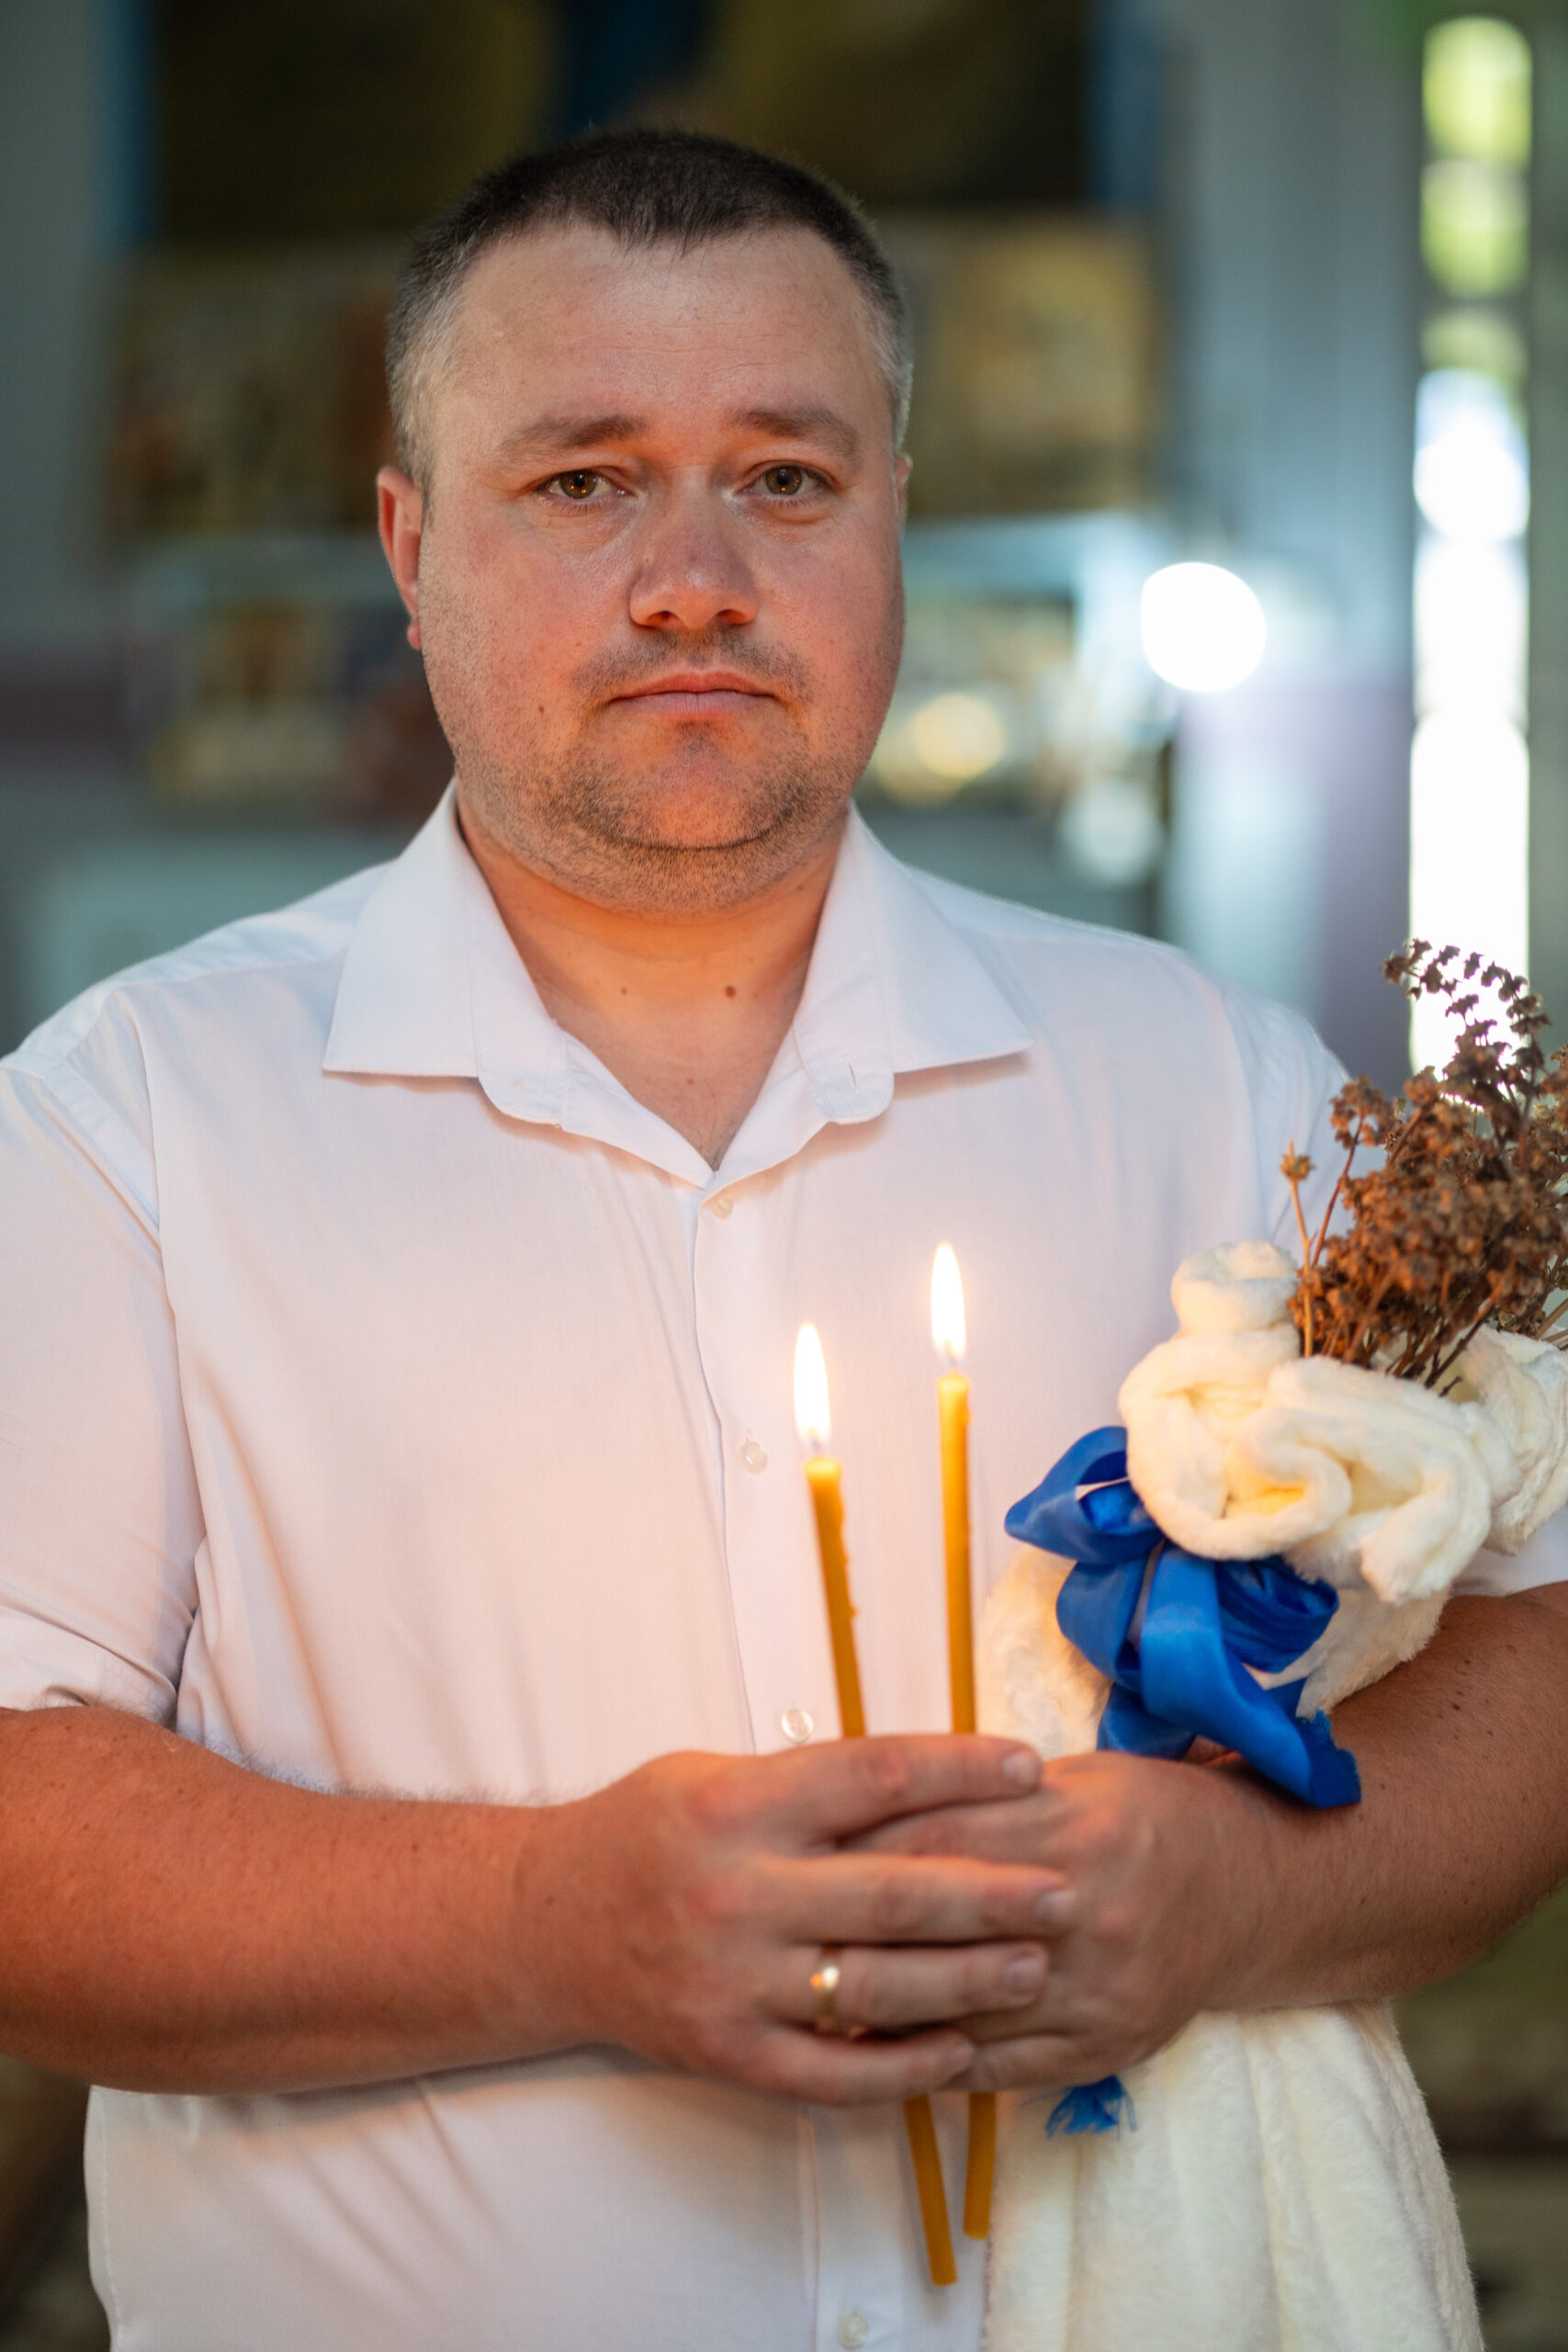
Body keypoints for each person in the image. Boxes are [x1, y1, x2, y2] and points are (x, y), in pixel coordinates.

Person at [0, 129, 1564, 2352]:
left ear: (891, 515)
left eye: (785, 478)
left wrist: (1233, 1895)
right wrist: (548, 1919)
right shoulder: (123, 1123)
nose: (692, 581)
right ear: (411, 545)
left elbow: (1528, 1638)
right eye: (583, 481)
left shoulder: (1212, 1083)